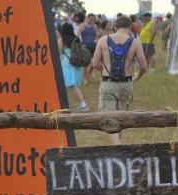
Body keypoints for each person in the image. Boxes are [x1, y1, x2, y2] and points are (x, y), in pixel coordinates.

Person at [89, 15, 147, 145]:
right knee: (121, 117)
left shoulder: (103, 40)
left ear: (115, 26)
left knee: (110, 117)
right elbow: (144, 66)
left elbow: (94, 63)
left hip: (108, 82)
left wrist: (102, 68)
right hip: (126, 83)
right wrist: (137, 77)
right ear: (130, 27)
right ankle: (118, 144)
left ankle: (118, 147)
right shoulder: (135, 42)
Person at [58, 22, 88, 111]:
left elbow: (58, 53)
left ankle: (83, 105)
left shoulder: (62, 40)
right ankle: (64, 103)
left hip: (67, 65)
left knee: (71, 85)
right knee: (69, 85)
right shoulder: (76, 38)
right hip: (76, 65)